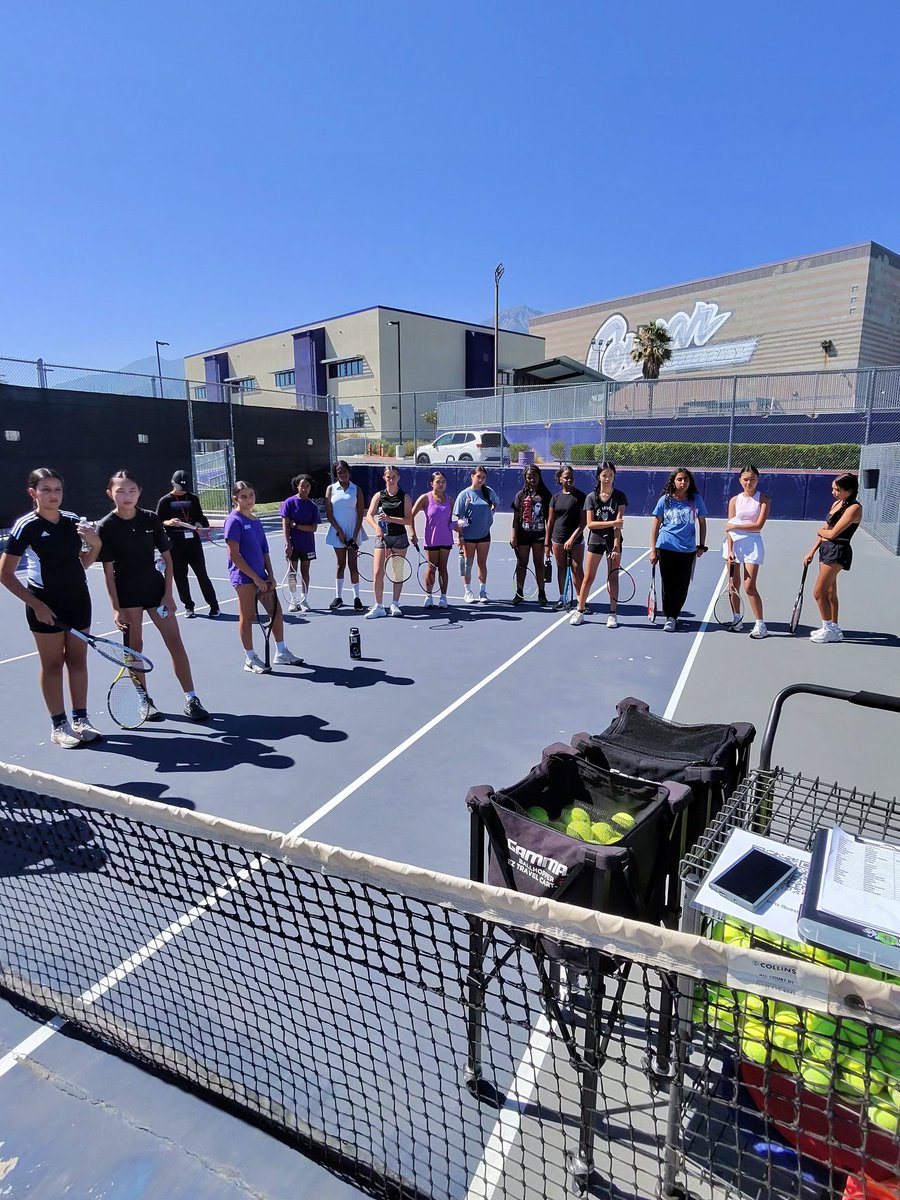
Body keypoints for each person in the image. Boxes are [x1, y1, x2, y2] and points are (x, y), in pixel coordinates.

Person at [94, 469, 210, 719]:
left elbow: (167, 559)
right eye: (121, 491)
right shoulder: (106, 526)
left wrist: (168, 595)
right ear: (110, 494)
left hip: (156, 591)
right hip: (128, 596)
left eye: (132, 490)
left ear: (140, 493)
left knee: (175, 643)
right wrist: (116, 608)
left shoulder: (150, 519)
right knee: (135, 649)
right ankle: (144, 701)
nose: (127, 496)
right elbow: (108, 572)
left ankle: (192, 698)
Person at [0, 468, 103, 747]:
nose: (53, 495)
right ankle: (59, 726)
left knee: (78, 662)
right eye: (46, 489)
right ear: (33, 493)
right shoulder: (26, 526)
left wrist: (94, 545)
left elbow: (82, 562)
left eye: (57, 489)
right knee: (53, 664)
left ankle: (81, 719)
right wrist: (37, 605)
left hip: (79, 601)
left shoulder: (71, 521)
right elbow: (5, 574)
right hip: (45, 604)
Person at [224, 480, 304, 672]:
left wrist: (270, 575)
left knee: (276, 613)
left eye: (251, 495)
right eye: (244, 496)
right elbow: (234, 555)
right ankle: (250, 658)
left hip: (262, 577)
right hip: (243, 579)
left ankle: (281, 652)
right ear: (235, 498)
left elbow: (264, 550)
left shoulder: (255, 519)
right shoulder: (233, 521)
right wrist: (255, 579)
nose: (249, 499)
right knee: (247, 617)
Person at [803, 472, 862, 644]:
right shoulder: (837, 503)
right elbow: (825, 529)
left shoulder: (854, 508)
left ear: (849, 491)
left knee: (818, 592)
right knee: (829, 592)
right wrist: (811, 551)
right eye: (833, 488)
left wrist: (821, 532)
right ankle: (833, 627)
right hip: (825, 550)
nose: (833, 492)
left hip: (838, 551)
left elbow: (833, 533)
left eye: (838, 489)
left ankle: (828, 629)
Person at [649, 467, 709, 632]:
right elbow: (655, 526)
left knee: (682, 585)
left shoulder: (696, 499)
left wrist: (702, 545)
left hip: (687, 550)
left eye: (686, 480)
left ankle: (673, 614)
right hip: (666, 547)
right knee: (668, 585)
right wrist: (653, 550)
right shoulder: (665, 500)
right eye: (680, 479)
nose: (683, 482)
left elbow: (702, 523)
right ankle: (670, 617)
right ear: (673, 482)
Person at [569, 462, 627, 628]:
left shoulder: (620, 497)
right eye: (604, 475)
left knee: (613, 577)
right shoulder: (591, 497)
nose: (607, 478)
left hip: (613, 542)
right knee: (588, 577)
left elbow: (619, 525)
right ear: (598, 477)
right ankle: (580, 610)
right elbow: (590, 524)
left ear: (614, 476)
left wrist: (616, 546)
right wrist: (612, 522)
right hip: (595, 541)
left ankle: (613, 614)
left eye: (610, 475)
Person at [156, 470, 220, 619]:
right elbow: (158, 522)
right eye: (179, 486)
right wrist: (168, 522)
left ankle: (213, 605)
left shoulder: (193, 498)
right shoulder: (165, 501)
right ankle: (188, 606)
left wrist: (199, 523)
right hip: (175, 544)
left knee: (202, 575)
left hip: (193, 544)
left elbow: (201, 518)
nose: (182, 489)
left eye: (185, 486)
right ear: (173, 484)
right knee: (180, 576)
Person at [722, 465, 771, 639]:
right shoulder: (734, 500)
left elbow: (758, 525)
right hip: (734, 545)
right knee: (733, 585)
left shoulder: (763, 499)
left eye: (752, 479)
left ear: (758, 480)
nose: (749, 482)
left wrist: (735, 525)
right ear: (740, 480)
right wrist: (730, 549)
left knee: (749, 586)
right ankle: (736, 618)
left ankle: (760, 625)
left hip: (753, 545)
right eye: (746, 479)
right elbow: (729, 529)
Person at [364, 466, 418, 618]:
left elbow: (408, 520)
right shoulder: (379, 496)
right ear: (384, 478)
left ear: (398, 477)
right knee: (378, 572)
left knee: (397, 573)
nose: (391, 479)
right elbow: (369, 515)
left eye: (394, 476)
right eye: (388, 477)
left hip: (399, 537)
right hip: (382, 537)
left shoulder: (405, 497)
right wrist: (377, 528)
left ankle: (395, 603)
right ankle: (379, 606)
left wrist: (389, 519)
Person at [324, 460, 366, 612]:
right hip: (337, 532)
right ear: (336, 473)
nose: (342, 474)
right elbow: (329, 513)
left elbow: (360, 514)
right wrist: (339, 531)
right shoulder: (331, 489)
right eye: (339, 471)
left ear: (349, 472)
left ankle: (357, 598)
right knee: (340, 564)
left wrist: (354, 535)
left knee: (353, 565)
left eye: (345, 471)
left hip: (353, 532)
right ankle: (338, 597)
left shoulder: (357, 489)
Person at [453, 466, 499, 604]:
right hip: (468, 536)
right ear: (472, 476)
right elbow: (459, 517)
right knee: (468, 564)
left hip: (484, 535)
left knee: (482, 563)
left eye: (483, 477)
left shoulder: (489, 492)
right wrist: (460, 537)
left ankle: (482, 591)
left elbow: (495, 503)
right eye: (478, 476)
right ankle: (467, 591)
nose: (481, 480)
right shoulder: (464, 495)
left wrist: (490, 514)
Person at [411, 471, 455, 608]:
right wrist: (412, 534)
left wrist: (458, 527)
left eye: (443, 482)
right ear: (432, 484)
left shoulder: (450, 500)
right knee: (431, 569)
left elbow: (450, 521)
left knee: (443, 568)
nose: (441, 484)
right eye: (438, 482)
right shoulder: (425, 498)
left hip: (446, 539)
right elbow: (410, 516)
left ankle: (443, 598)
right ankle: (428, 597)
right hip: (431, 540)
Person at [545, 464, 586, 611]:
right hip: (558, 538)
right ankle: (562, 598)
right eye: (566, 477)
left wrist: (572, 539)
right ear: (560, 479)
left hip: (577, 540)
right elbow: (550, 522)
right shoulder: (555, 498)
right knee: (561, 568)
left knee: (577, 568)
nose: (570, 480)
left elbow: (584, 522)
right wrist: (547, 543)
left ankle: (581, 600)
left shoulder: (581, 497)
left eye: (572, 477)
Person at [511, 465, 552, 605]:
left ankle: (542, 593)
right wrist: (514, 536)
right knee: (521, 564)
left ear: (539, 477)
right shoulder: (520, 495)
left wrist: (548, 540)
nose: (531, 479)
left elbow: (549, 520)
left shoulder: (546, 495)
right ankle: (519, 593)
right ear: (525, 478)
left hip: (539, 536)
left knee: (538, 564)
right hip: (523, 535)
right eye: (529, 477)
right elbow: (516, 518)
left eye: (534, 476)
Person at [281, 474, 319, 613]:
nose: (304, 488)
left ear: (310, 488)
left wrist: (296, 526)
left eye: (307, 486)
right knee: (292, 573)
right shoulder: (289, 502)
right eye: (302, 485)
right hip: (293, 544)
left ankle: (304, 599)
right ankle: (293, 599)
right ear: (297, 486)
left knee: (305, 572)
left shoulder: (312, 506)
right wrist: (288, 543)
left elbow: (313, 528)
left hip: (307, 544)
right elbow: (285, 525)